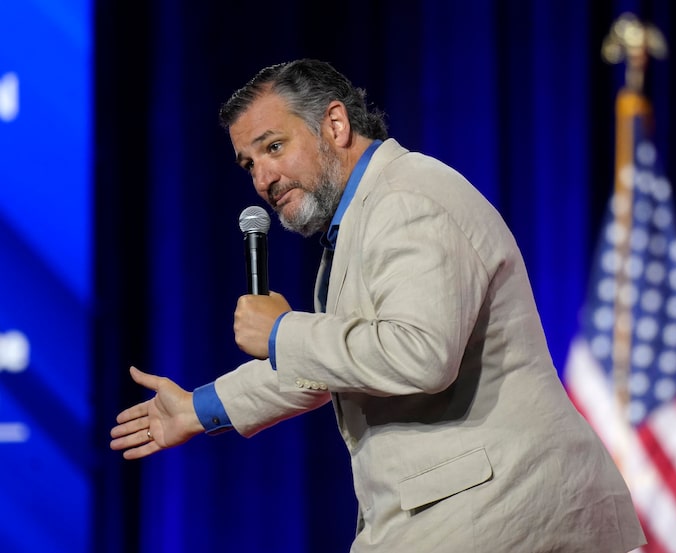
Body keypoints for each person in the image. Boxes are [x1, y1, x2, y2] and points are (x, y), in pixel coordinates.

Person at [110, 58, 646, 552]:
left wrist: (281, 333)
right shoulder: (363, 216)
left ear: (335, 126)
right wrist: (198, 409)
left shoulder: (407, 198)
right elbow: (336, 362)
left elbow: (420, 354)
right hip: (462, 509)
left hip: (499, 508)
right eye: (248, 163)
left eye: (273, 147)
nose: (262, 180)